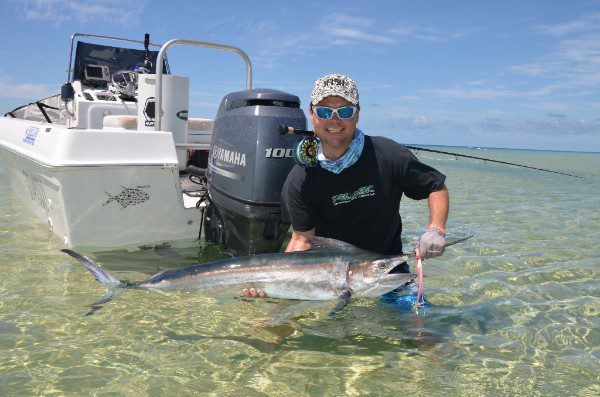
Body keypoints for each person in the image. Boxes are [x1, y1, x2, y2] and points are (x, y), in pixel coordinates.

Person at [242, 73, 449, 299]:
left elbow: (435, 186)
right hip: (327, 278)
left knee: (419, 327)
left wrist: (435, 229)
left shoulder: (389, 155)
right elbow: (301, 240)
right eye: (324, 111)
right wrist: (272, 286)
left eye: (345, 111)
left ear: (357, 114)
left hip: (384, 269)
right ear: (312, 115)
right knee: (277, 330)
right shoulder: (300, 180)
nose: (334, 119)